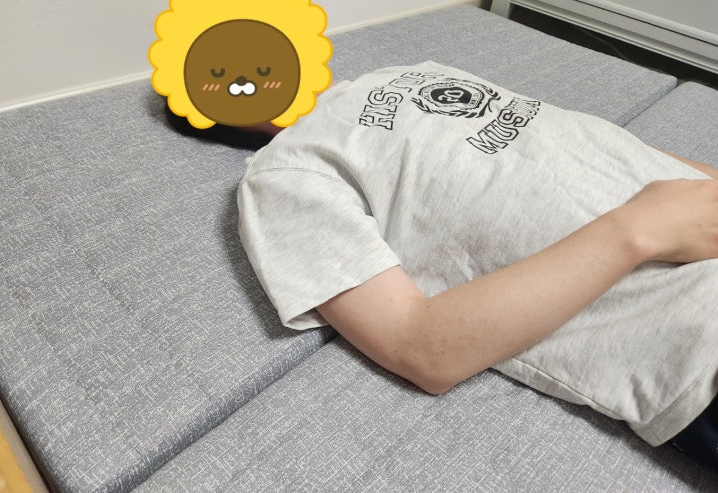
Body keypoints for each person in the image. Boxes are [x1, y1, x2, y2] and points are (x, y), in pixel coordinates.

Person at [187, 62, 718, 467]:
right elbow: (419, 349)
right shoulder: (284, 173)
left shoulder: (411, 71)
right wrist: (636, 231)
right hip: (698, 348)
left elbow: (604, 142)